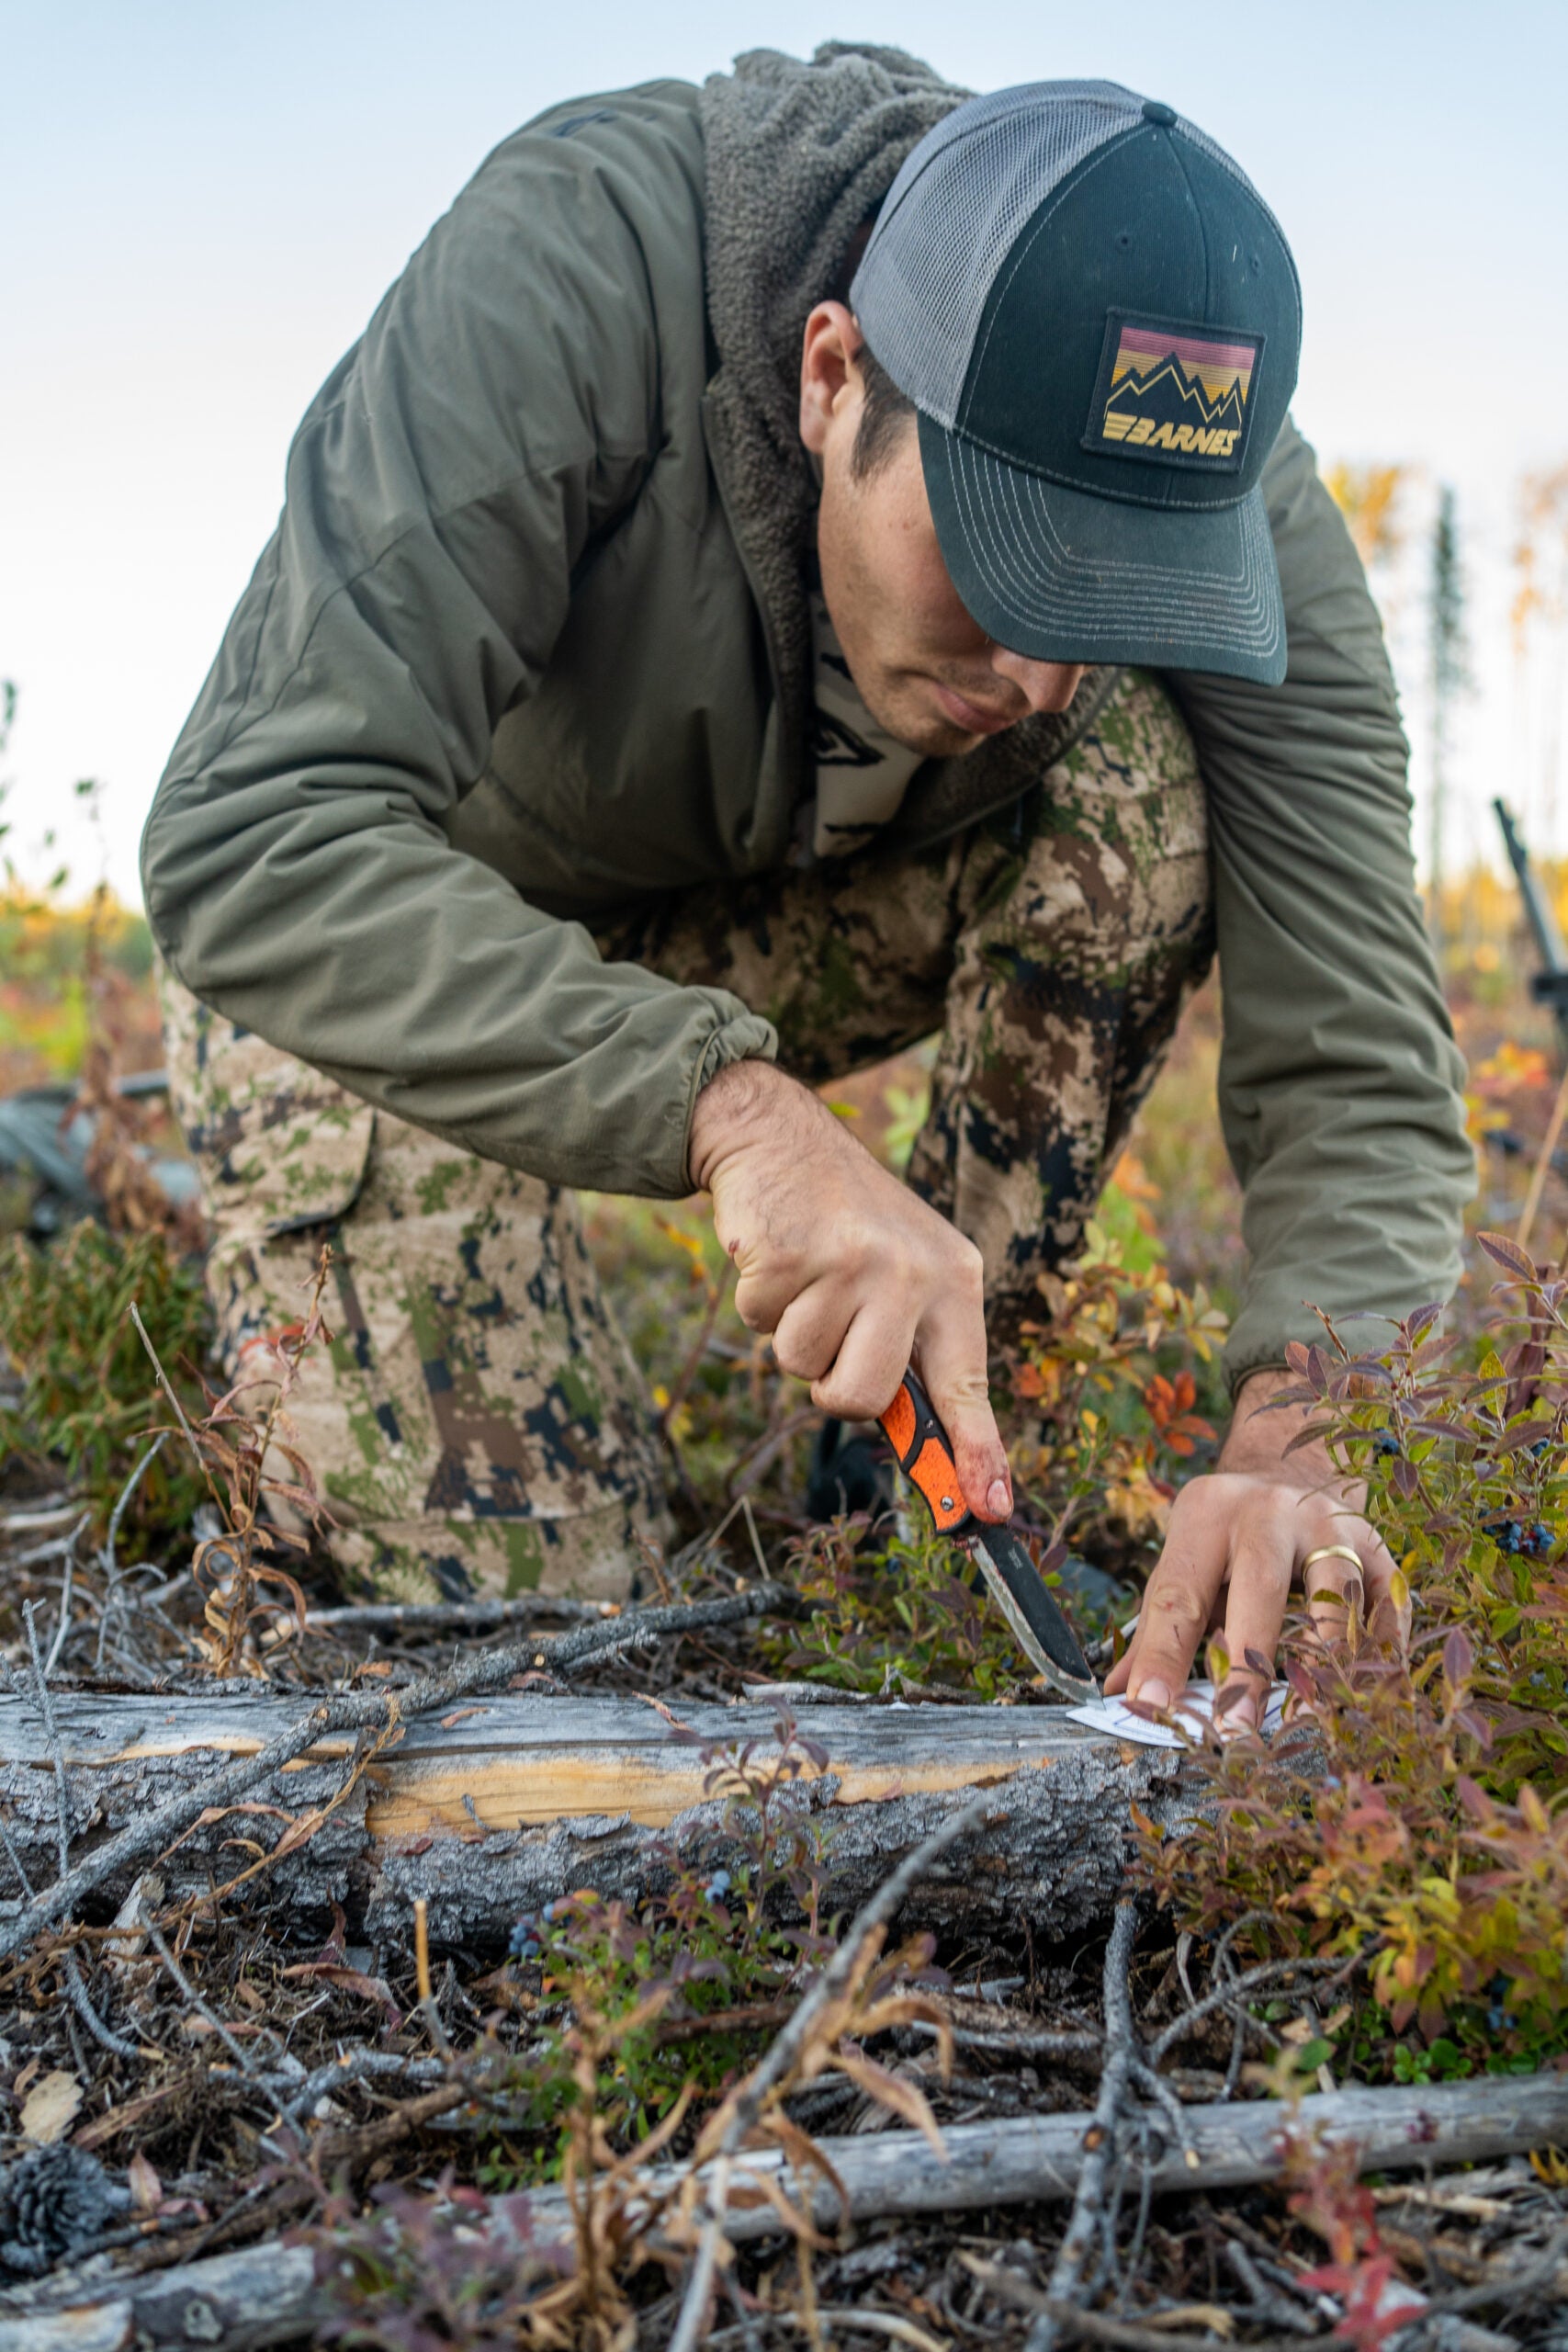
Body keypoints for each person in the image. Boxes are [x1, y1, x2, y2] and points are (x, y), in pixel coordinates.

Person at [141, 47, 1472, 1727]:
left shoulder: (1227, 493)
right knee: (562, 1667)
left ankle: (925, 1474)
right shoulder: (568, 279)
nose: (1042, 675)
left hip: (765, 919)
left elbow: (1358, 1046)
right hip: (402, 939)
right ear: (832, 376)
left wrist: (1307, 1441)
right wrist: (730, 1110)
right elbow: (248, 828)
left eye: (1113, 600)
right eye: (1001, 564)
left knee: (1142, 798)